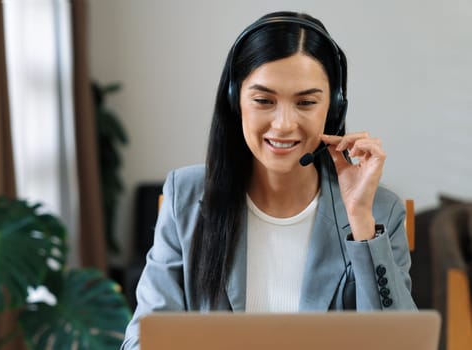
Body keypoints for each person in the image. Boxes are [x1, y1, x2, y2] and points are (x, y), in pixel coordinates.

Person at [120, 11, 417, 350]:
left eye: (306, 102)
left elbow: (400, 344)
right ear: (236, 100)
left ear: (333, 109)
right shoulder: (184, 197)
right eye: (264, 101)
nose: (283, 124)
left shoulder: (380, 211)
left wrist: (362, 222)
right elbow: (142, 340)